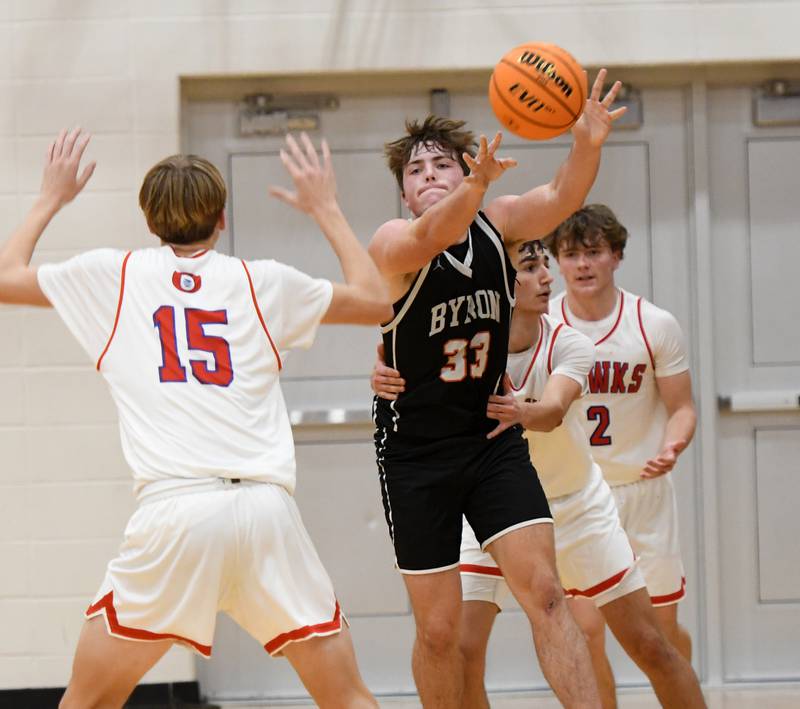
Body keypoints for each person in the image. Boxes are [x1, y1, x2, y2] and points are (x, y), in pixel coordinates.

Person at [0, 128, 390, 709]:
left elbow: (6, 280)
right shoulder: (263, 281)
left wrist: (50, 198)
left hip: (176, 516)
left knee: (87, 701)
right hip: (266, 514)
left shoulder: (116, 276)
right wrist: (326, 206)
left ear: (150, 221)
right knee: (346, 697)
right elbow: (376, 300)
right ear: (222, 218)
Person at [367, 69, 625, 707]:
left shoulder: (498, 221)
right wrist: (476, 185)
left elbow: (563, 194)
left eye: (441, 166)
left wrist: (587, 142)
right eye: (415, 172)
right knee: (438, 629)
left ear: (463, 171)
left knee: (545, 593)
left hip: (490, 439)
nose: (428, 176)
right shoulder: (393, 240)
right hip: (415, 453)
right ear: (404, 194)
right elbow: (434, 236)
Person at [373, 241, 706, 708]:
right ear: (498, 284)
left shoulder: (569, 341)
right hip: (487, 506)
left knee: (651, 644)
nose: (547, 277)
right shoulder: (459, 346)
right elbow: (396, 352)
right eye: (530, 268)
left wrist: (518, 410)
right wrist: (384, 372)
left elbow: (550, 412)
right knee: (463, 649)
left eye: (544, 266)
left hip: (574, 506)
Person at [543, 203, 697, 705]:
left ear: (617, 256)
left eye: (593, 253)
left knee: (658, 637)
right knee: (587, 633)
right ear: (557, 264)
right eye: (571, 255)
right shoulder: (542, 326)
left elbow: (683, 409)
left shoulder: (653, 324)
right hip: (578, 499)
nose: (583, 265)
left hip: (643, 494)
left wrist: (673, 444)